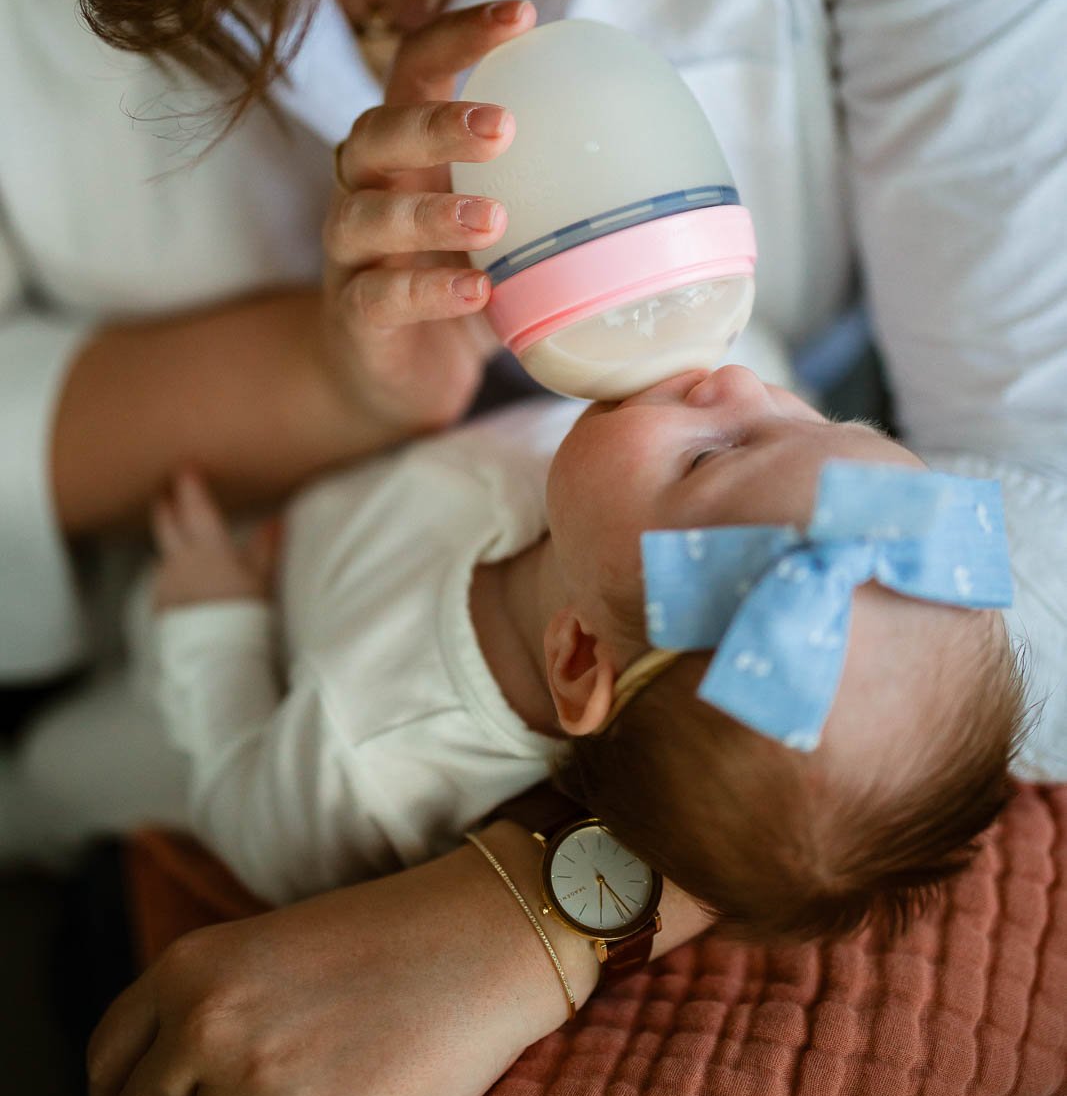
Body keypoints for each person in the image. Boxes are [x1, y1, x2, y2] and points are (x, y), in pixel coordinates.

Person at [0, 0, 1063, 1096]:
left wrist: (538, 912)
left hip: (215, 662)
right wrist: (324, 380)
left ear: (579, 660)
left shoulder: (374, 750)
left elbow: (239, 781)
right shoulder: (675, 475)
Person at [131, 367, 1024, 945]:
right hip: (317, 487)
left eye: (713, 454)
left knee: (63, 773)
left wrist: (215, 621)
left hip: (179, 659)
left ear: (577, 657)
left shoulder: (372, 755)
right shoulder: (619, 511)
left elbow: (243, 814)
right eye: (827, 419)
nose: (743, 381)